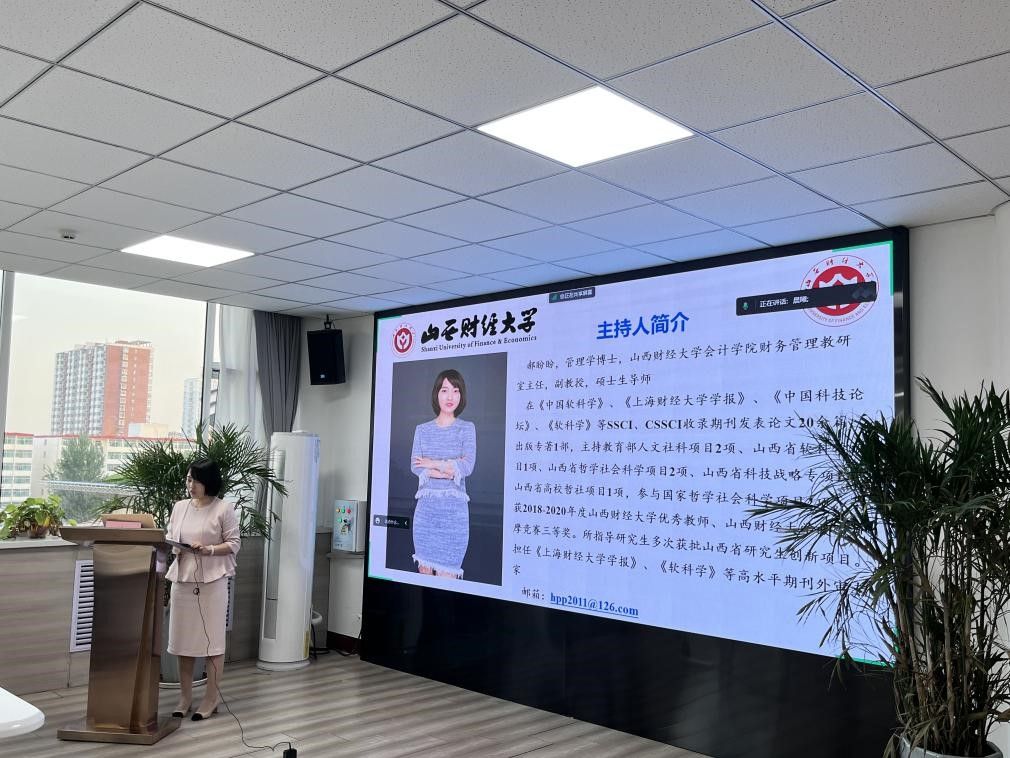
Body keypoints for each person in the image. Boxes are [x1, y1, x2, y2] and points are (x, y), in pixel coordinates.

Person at [164, 458, 240, 721]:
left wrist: (209, 550)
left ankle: (210, 699)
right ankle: (185, 698)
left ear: (209, 482)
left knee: (213, 643)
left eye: (196, 480)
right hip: (183, 580)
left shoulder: (223, 508)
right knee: (182, 641)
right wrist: (175, 547)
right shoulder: (179, 507)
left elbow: (234, 544)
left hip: (212, 582)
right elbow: (170, 538)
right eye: (188, 479)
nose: (191, 485)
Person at [410, 369, 477, 579]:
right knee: (423, 581)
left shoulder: (467, 428)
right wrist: (448, 469)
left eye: (456, 391)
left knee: (447, 583)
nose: (450, 397)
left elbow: (467, 466)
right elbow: (416, 466)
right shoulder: (422, 430)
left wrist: (432, 464)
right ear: (436, 393)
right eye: (445, 390)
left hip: (454, 516)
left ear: (461, 395)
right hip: (426, 515)